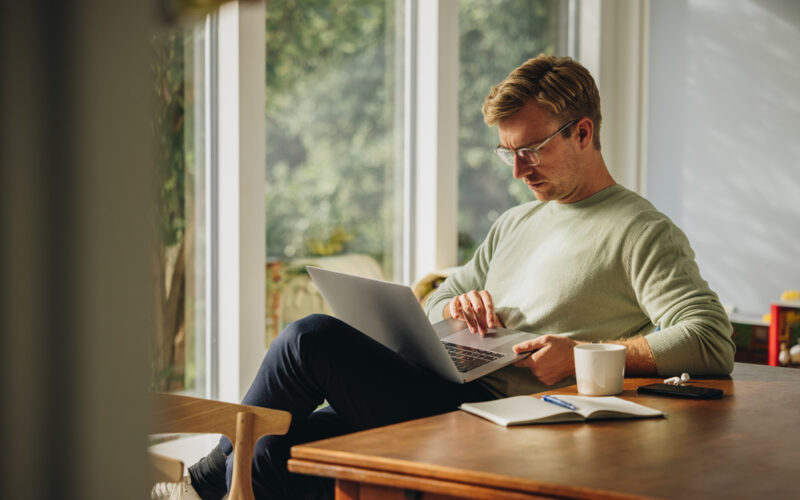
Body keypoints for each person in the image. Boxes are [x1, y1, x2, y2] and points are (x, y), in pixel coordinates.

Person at [152, 55, 735, 500]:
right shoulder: (517, 222)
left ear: (583, 132)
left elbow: (709, 338)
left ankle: (195, 486)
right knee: (273, 455)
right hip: (446, 390)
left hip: (500, 424)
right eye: (507, 152)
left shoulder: (641, 230)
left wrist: (581, 353)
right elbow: (444, 295)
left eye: (530, 149)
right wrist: (460, 308)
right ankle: (204, 488)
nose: (516, 169)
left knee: (309, 340)